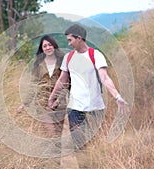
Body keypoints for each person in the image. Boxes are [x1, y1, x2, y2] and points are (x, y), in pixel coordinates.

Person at [48, 24, 128, 167]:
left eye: (70, 40)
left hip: (95, 108)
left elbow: (105, 78)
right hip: (75, 108)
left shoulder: (95, 55)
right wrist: (52, 97)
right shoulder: (69, 57)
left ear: (79, 38)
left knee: (95, 142)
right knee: (79, 145)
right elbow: (62, 79)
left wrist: (117, 96)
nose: (69, 43)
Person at [17, 35, 68, 138]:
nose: (48, 48)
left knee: (57, 136)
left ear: (54, 46)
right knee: (50, 133)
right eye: (45, 46)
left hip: (59, 105)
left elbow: (67, 84)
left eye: (50, 45)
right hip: (42, 104)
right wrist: (25, 104)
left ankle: (55, 153)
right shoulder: (38, 64)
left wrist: (58, 100)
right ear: (42, 49)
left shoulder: (62, 62)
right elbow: (33, 85)